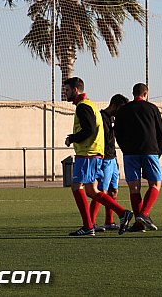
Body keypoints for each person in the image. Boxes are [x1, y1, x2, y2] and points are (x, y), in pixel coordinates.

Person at [63, 77, 133, 236]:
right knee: (91, 191)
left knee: (78, 188)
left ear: (75, 90)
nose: (65, 93)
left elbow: (89, 130)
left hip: (88, 154)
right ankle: (122, 214)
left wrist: (72, 138)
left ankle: (89, 226)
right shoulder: (89, 105)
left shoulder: (83, 107)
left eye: (67, 90)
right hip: (92, 154)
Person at [114, 83, 162, 232]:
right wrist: (157, 150)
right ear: (146, 94)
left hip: (130, 153)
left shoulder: (123, 110)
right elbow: (161, 132)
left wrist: (125, 148)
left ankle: (139, 224)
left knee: (134, 188)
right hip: (150, 151)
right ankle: (143, 214)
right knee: (155, 184)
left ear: (133, 93)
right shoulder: (152, 108)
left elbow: (117, 132)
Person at [90, 94, 128, 232]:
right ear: (115, 106)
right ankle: (91, 223)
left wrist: (116, 159)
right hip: (104, 160)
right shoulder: (100, 117)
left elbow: (112, 141)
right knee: (101, 192)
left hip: (112, 160)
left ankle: (109, 221)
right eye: (121, 109)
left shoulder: (113, 120)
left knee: (113, 191)